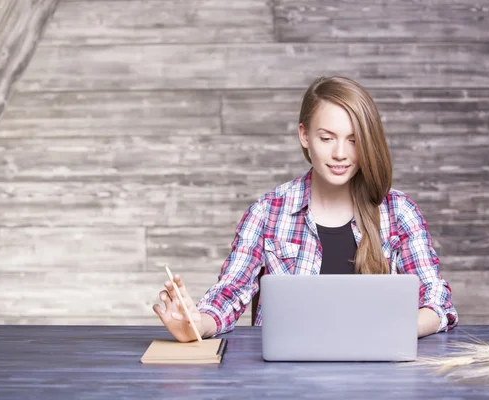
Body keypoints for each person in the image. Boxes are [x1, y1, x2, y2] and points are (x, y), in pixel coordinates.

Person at [152, 76, 458, 342]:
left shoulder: (398, 212)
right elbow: (228, 295)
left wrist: (392, 331)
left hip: (379, 377)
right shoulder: (267, 212)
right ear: (304, 136)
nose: (340, 154)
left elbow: (437, 301)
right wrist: (195, 325)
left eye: (353, 140)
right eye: (327, 138)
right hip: (286, 380)